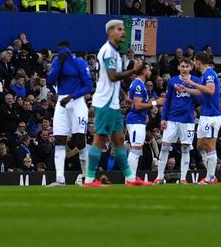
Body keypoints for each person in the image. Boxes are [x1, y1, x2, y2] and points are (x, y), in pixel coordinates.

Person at [82, 20, 148, 187]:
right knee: (100, 139)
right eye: (119, 29)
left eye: (123, 29)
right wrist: (134, 70)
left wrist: (124, 95)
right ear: (110, 32)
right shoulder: (108, 51)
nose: (123, 32)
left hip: (113, 104)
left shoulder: (115, 52)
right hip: (104, 102)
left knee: (118, 139)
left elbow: (110, 80)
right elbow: (112, 76)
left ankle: (130, 178)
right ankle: (89, 179)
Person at [45, 41, 94, 187]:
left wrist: (72, 96)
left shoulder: (79, 63)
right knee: (59, 140)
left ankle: (86, 176)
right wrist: (58, 64)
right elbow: (50, 81)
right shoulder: (56, 62)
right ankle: (60, 178)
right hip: (62, 102)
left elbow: (88, 86)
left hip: (77, 101)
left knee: (79, 140)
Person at [179, 51, 221, 184]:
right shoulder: (204, 75)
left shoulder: (210, 74)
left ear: (198, 61)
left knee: (210, 146)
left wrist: (191, 82)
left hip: (212, 116)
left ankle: (210, 177)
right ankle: (211, 174)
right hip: (205, 115)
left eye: (194, 60)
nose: (193, 63)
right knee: (199, 146)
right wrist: (186, 89)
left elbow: (210, 90)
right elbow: (200, 91)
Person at [156, 58, 198, 184]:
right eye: (182, 66)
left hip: (188, 120)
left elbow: (200, 98)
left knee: (185, 148)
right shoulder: (173, 81)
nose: (185, 69)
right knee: (164, 146)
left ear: (190, 68)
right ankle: (159, 177)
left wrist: (189, 87)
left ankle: (184, 178)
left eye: (187, 67)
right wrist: (163, 118)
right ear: (178, 67)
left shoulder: (196, 80)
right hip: (172, 119)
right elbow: (167, 100)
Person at [126, 63, 163, 178]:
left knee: (137, 149)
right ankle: (130, 178)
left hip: (139, 120)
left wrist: (151, 107)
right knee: (135, 149)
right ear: (143, 71)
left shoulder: (140, 84)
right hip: (135, 120)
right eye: (148, 69)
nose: (150, 71)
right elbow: (137, 105)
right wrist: (155, 102)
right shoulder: (138, 85)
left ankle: (131, 177)